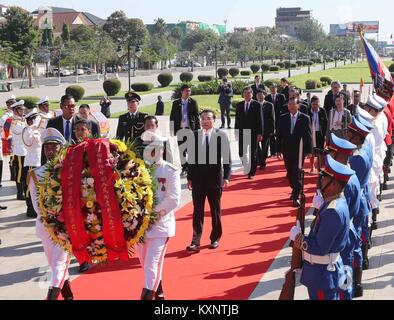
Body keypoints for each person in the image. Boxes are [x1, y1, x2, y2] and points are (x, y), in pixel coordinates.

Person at [290, 155, 354, 300]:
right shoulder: (335, 201)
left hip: (322, 275)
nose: (321, 180)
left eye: (325, 178)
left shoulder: (333, 211)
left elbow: (320, 247)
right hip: (324, 272)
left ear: (334, 185)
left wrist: (298, 238)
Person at [29, 127, 74, 300]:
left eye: (54, 146)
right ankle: (69, 297)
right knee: (56, 266)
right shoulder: (36, 174)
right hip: (46, 226)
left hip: (66, 228)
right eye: (47, 147)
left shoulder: (70, 171)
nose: (50, 150)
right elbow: (35, 204)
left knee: (59, 265)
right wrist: (50, 218)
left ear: (61, 148)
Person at [136, 132, 181, 300]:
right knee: (146, 265)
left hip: (160, 226)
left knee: (151, 265)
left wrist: (152, 215)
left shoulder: (169, 170)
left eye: (155, 148)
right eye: (149, 148)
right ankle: (159, 295)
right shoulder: (137, 170)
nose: (152, 151)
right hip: (140, 228)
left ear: (162, 149)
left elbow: (174, 199)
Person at [186, 109, 231, 253]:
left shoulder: (221, 136)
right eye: (203, 118)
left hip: (215, 180)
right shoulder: (195, 135)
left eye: (208, 118)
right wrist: (190, 177)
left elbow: (227, 158)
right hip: (198, 180)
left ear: (214, 120)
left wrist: (226, 177)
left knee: (215, 210)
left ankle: (215, 238)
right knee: (197, 211)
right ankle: (195, 241)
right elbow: (191, 159)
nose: (205, 121)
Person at [326, 133, 360, 300]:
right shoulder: (348, 175)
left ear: (339, 155)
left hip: (342, 234)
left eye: (332, 152)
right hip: (347, 229)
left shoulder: (343, 182)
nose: (330, 154)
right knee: (344, 275)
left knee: (343, 279)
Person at [346, 117, 373, 297]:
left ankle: (355, 285)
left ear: (356, 137)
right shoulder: (365, 149)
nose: (347, 135)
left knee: (352, 246)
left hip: (355, 202)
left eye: (350, 133)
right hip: (362, 197)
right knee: (357, 241)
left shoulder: (356, 159)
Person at [277, 97, 312, 207]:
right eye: (289, 104)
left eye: (293, 104)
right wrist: (278, 150)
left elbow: (308, 135)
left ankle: (296, 196)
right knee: (290, 175)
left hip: (299, 150)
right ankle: (296, 189)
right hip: (287, 150)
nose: (291, 106)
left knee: (296, 173)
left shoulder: (305, 118)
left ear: (298, 106)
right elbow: (279, 135)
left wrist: (309, 150)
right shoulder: (283, 118)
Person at [170, 84, 201, 176]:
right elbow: (172, 117)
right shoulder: (176, 103)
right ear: (181, 92)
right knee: (181, 151)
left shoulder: (193, 102)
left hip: (190, 129)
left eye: (189, 91)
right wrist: (172, 130)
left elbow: (196, 117)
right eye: (186, 91)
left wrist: (198, 130)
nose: (188, 93)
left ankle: (191, 168)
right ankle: (184, 167)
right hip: (180, 130)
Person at [235, 86, 263, 179]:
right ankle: (246, 167)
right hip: (243, 132)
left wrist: (260, 133)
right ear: (243, 94)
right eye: (245, 93)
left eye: (249, 93)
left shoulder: (257, 105)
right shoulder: (239, 105)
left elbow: (260, 120)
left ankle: (251, 172)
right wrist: (236, 132)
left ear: (252, 94)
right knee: (241, 153)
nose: (247, 95)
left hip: (253, 133)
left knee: (253, 153)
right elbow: (237, 120)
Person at [22, 108, 42, 218]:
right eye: (34, 118)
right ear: (30, 120)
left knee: (38, 188)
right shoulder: (27, 130)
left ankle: (37, 207)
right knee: (30, 187)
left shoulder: (36, 129)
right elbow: (29, 143)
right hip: (31, 162)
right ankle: (30, 208)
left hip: (38, 161)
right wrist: (33, 127)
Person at [10, 100, 28, 201]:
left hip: (24, 150)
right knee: (20, 173)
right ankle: (19, 193)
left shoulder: (22, 120)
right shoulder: (15, 122)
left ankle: (24, 192)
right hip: (19, 151)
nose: (23, 111)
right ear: (16, 110)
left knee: (25, 173)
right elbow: (24, 130)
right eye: (21, 109)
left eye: (23, 109)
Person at [265, 83, 286, 157]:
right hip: (270, 120)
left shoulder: (281, 96)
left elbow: (284, 108)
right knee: (271, 136)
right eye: (271, 88)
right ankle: (273, 152)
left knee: (280, 136)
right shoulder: (267, 97)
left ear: (276, 88)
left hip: (280, 119)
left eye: (274, 88)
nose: (272, 89)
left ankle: (280, 150)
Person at [308, 96, 328, 173]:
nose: (315, 106)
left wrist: (326, 134)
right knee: (311, 151)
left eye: (317, 104)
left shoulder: (322, 111)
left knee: (320, 151)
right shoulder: (308, 111)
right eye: (314, 104)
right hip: (311, 134)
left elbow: (326, 122)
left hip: (320, 133)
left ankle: (319, 166)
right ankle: (312, 166)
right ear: (311, 104)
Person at [256, 89, 275, 169]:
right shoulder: (254, 104)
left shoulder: (270, 105)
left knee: (265, 147)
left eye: (261, 95)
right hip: (256, 130)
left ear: (264, 95)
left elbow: (272, 118)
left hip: (266, 130)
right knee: (256, 147)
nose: (260, 96)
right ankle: (260, 159)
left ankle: (263, 162)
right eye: (258, 95)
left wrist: (272, 130)